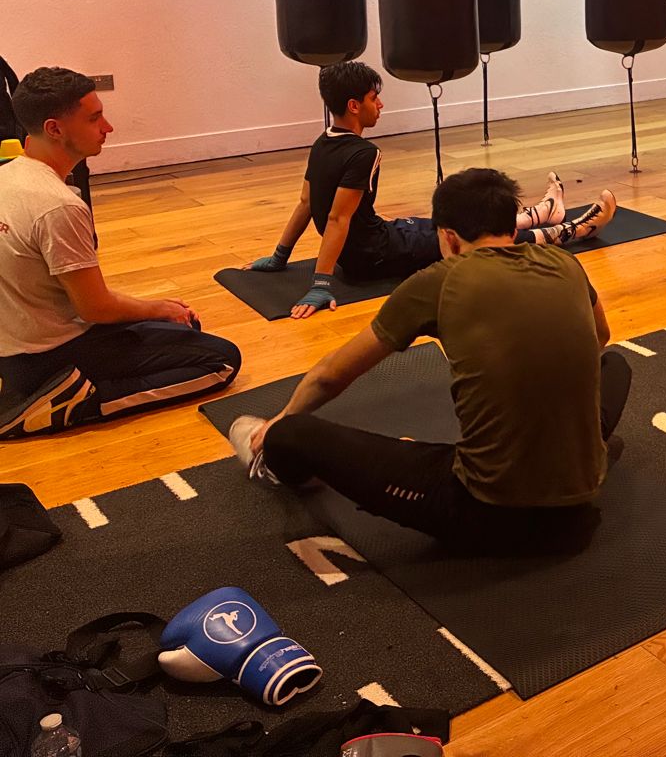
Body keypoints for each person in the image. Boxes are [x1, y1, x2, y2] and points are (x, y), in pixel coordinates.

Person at [231, 168, 633, 550]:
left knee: (293, 434)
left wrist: (279, 420)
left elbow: (329, 377)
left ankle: (274, 456)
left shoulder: (438, 280)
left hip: (485, 511)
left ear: (449, 238)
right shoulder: (566, 263)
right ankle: (576, 453)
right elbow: (600, 337)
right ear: (512, 230)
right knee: (615, 366)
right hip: (581, 499)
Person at [248, 61, 615, 318]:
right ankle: (572, 231)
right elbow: (337, 219)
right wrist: (321, 283)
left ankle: (540, 213)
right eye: (374, 98)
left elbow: (305, 202)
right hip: (375, 256)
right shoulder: (364, 153)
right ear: (354, 106)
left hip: (371, 245)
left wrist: (281, 255)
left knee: (453, 219)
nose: (381, 105)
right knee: (474, 239)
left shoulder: (322, 142)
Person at [0, 67, 240, 439]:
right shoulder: (58, 205)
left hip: (16, 351)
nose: (107, 127)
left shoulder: (8, 176)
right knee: (222, 361)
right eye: (94, 118)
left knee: (185, 326)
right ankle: (73, 403)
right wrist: (159, 308)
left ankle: (55, 391)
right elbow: (94, 309)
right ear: (54, 129)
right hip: (50, 357)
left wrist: (161, 309)